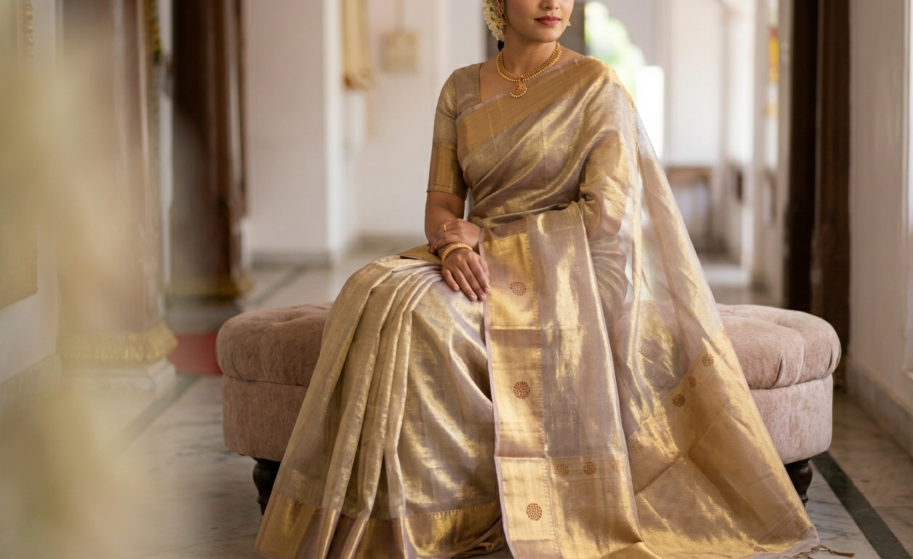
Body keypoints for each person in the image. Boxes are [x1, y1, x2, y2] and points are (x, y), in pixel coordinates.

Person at [255, 1, 820, 557]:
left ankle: (451, 514)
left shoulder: (595, 84)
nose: (552, 3)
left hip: (570, 269)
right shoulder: (460, 89)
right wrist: (453, 244)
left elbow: (606, 217)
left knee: (428, 319)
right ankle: (386, 509)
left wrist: (488, 239)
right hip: (474, 253)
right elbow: (443, 202)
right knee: (373, 288)